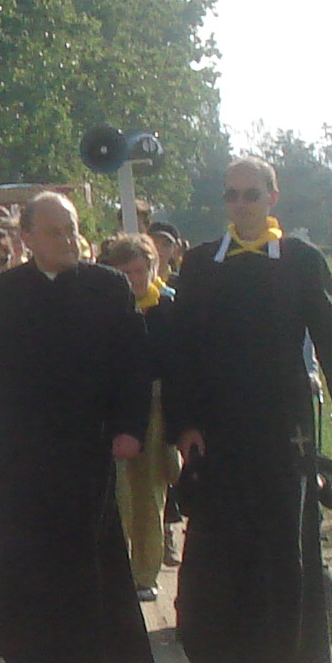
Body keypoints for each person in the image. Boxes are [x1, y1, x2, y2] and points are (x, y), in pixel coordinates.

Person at [162, 159, 332, 663]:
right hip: (219, 431)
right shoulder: (203, 263)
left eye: (252, 195)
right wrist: (183, 424)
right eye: (232, 196)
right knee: (220, 550)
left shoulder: (301, 261)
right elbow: (180, 351)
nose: (242, 205)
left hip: (285, 429)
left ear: (273, 197)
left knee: (284, 549)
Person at [0, 192, 155, 663]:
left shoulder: (107, 287)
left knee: (80, 558)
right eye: (55, 231)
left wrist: (129, 427)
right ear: (26, 237)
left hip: (85, 446)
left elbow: (133, 364)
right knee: (21, 559)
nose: (68, 240)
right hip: (17, 450)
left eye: (72, 229)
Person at [95, 233, 181, 602]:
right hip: (111, 403)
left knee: (150, 491)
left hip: (156, 403)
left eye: (139, 270)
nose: (133, 278)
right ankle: (116, 570)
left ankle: (145, 573)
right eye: (124, 272)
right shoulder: (102, 309)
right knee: (117, 492)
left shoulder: (168, 307)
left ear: (153, 268)